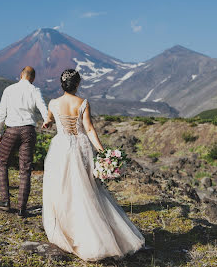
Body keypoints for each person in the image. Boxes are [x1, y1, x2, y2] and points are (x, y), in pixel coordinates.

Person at [41, 69, 145, 261]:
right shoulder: (83, 103)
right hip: (80, 147)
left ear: (61, 84)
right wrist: (102, 151)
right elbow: (88, 129)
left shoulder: (53, 103)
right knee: (87, 189)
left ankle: (67, 230)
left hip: (61, 147)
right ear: (77, 84)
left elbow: (49, 119)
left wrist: (47, 123)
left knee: (61, 189)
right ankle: (93, 233)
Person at [0, 66, 47, 218]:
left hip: (11, 130)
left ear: (21, 75)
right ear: (33, 78)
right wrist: (47, 119)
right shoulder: (35, 90)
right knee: (25, 169)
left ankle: (5, 201)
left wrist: (0, 131)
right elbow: (42, 106)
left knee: (3, 164)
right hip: (28, 131)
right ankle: (21, 209)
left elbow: (1, 113)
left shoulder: (9, 90)